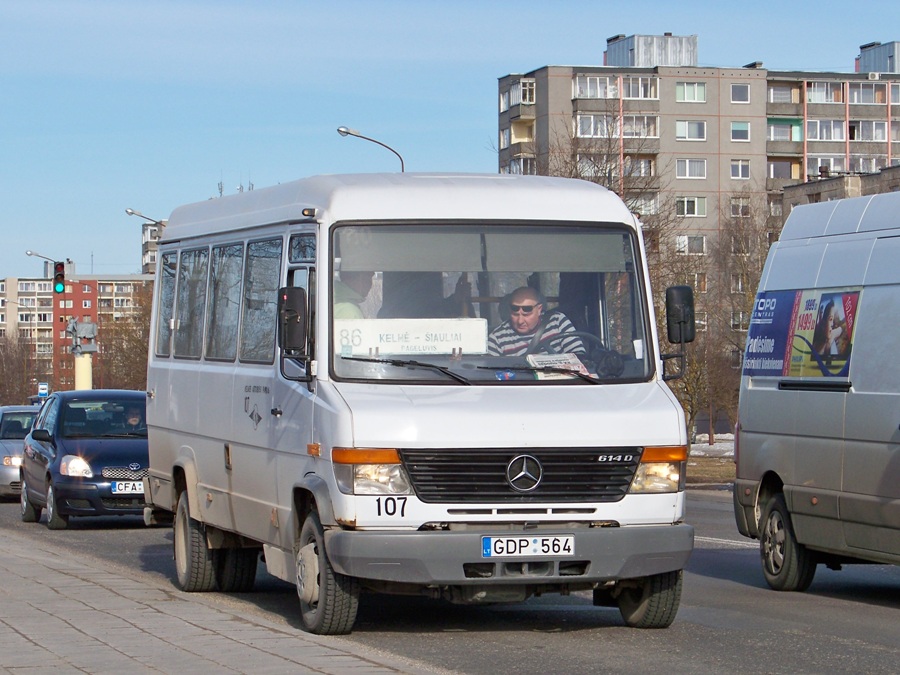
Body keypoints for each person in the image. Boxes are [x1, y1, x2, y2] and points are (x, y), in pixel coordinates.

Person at [488, 286, 585, 356]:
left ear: (539, 309)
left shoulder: (557, 321)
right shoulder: (497, 338)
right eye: (515, 314)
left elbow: (578, 356)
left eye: (526, 315)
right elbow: (489, 375)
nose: (520, 321)